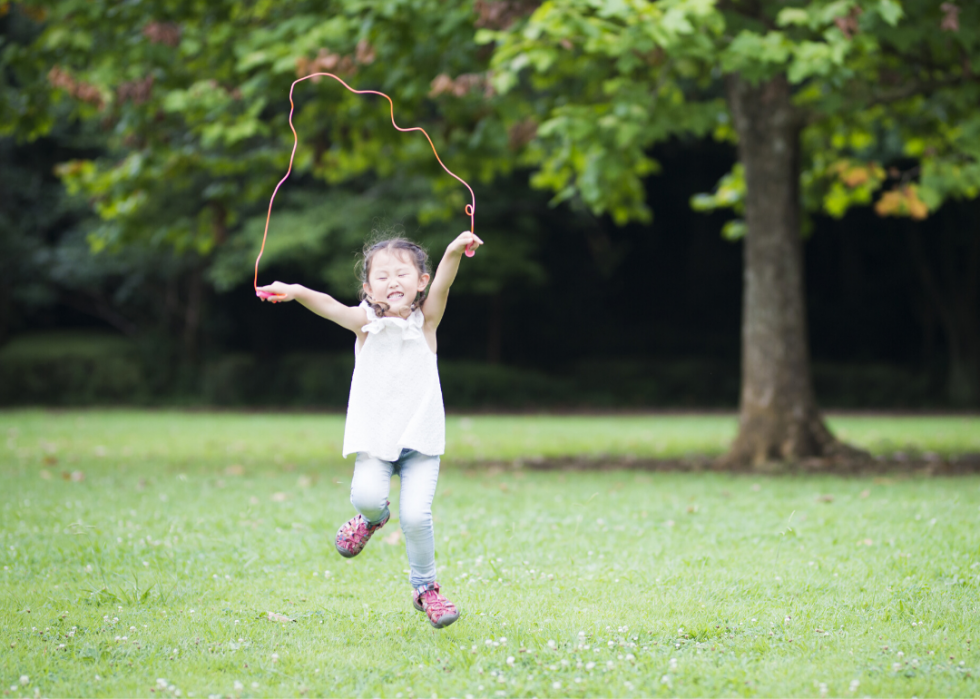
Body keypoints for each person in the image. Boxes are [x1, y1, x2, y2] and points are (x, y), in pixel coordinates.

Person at [256, 231, 482, 629]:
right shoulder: (365, 324)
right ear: (367, 287)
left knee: (416, 516)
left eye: (402, 273)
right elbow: (327, 305)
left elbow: (446, 281)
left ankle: (426, 589)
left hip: (421, 442)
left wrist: (452, 251)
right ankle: (373, 519)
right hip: (377, 440)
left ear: (421, 282)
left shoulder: (425, 322)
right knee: (367, 497)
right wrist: (295, 290)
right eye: (382, 275)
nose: (393, 281)